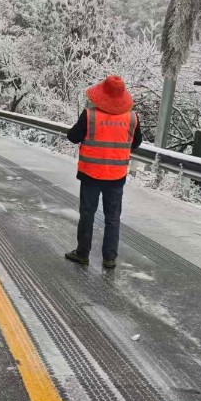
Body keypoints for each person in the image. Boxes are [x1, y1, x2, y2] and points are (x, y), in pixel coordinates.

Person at [64, 75, 142, 269]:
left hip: (91, 174)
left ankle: (82, 254)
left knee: (88, 214)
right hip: (116, 176)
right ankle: (109, 258)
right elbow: (137, 143)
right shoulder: (132, 117)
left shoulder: (90, 115)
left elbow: (72, 136)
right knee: (113, 217)